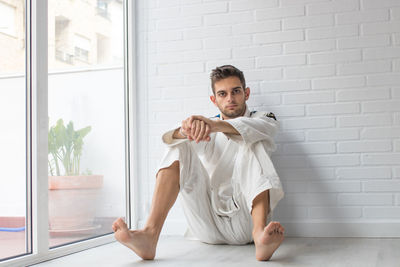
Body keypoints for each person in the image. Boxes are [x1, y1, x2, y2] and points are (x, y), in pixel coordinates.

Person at [112, 65, 285, 261]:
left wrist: (213, 125)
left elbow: (257, 129)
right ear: (214, 99)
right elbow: (174, 138)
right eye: (222, 93)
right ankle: (150, 235)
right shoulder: (206, 127)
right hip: (206, 222)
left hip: (245, 224)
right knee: (179, 145)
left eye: (236, 91)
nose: (230, 98)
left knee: (254, 143)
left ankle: (260, 235)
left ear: (246, 93)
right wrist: (186, 130)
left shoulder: (263, 118)